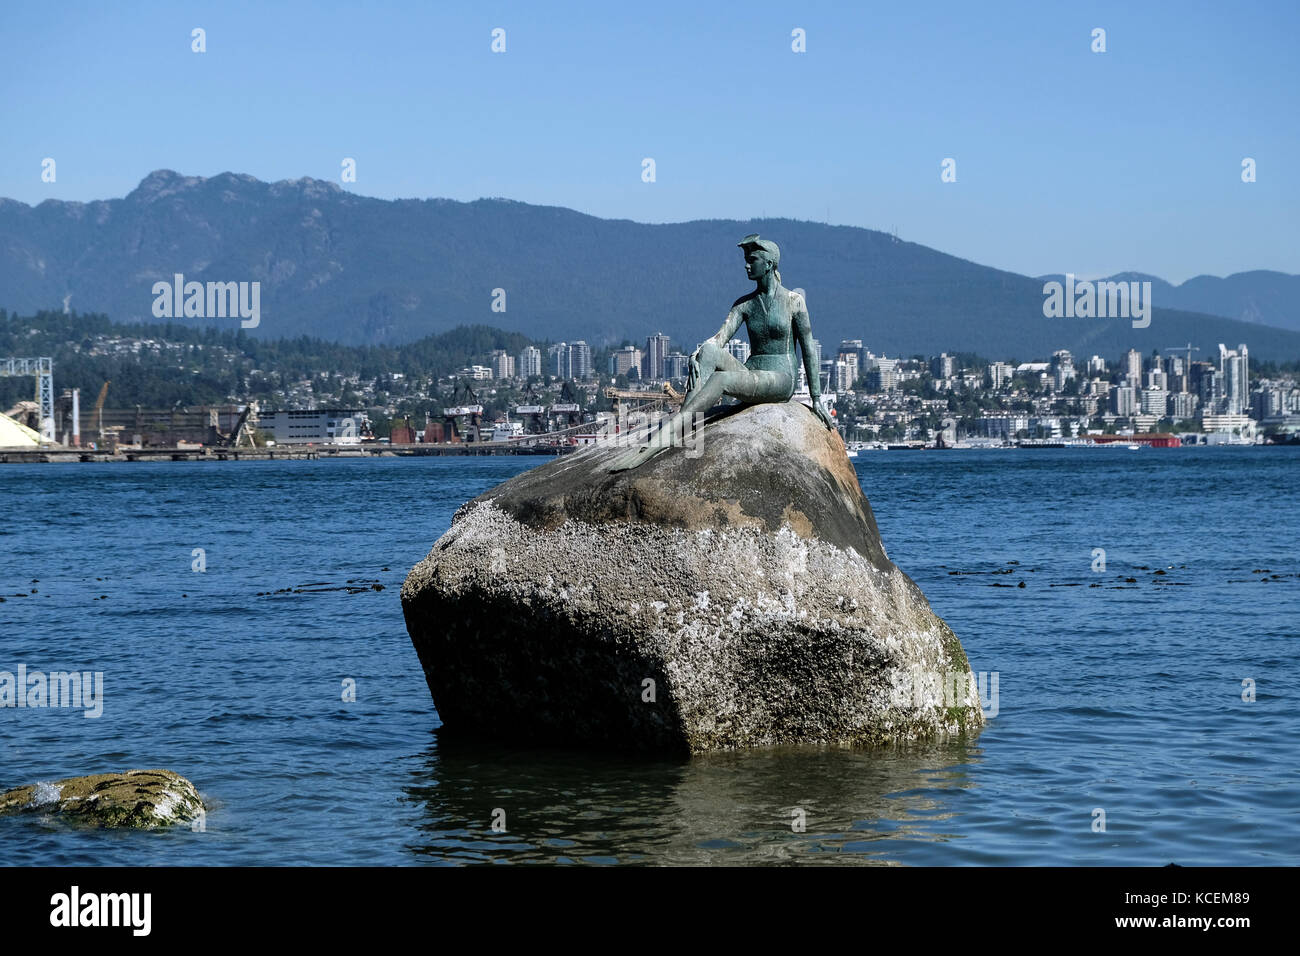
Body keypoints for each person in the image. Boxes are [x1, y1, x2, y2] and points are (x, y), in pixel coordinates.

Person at [609, 234, 833, 472]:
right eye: (746, 259)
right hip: (752, 372)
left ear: (769, 264)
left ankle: (669, 433)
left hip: (780, 378)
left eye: (752, 259)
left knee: (722, 379)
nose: (746, 264)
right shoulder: (744, 304)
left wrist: (817, 399)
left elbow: (809, 348)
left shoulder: (793, 301)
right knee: (707, 353)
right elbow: (718, 340)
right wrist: (696, 354)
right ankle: (685, 422)